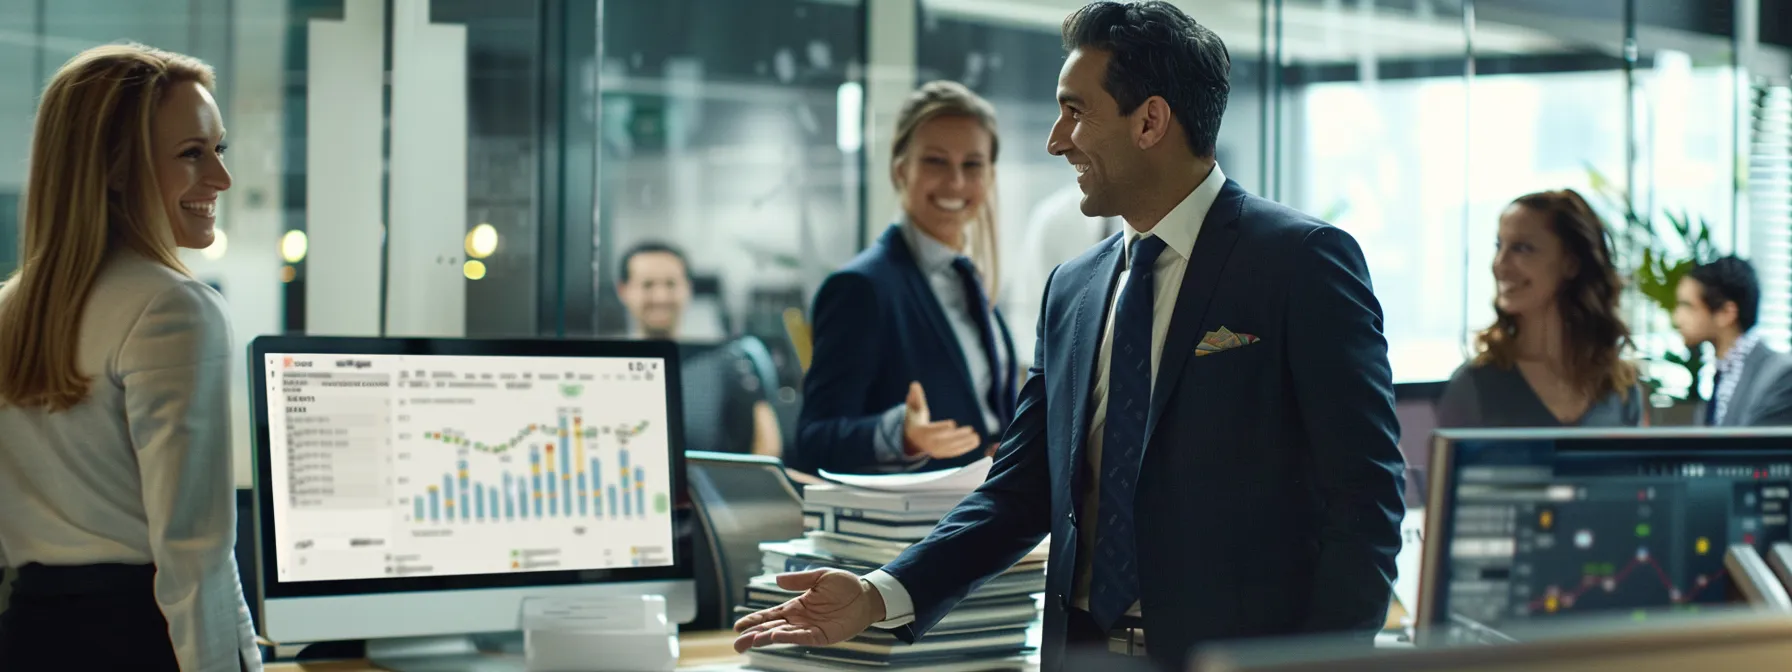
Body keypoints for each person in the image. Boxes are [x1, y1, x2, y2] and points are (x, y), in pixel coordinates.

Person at [736, 3, 1405, 670]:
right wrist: (881, 594)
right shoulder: (1073, 289)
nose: (1056, 140)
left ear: (1150, 121)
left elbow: (1366, 498)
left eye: (1075, 111)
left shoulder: (1300, 262)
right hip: (1077, 654)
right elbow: (1018, 493)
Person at [0, 44, 260, 671]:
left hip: (28, 638)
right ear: (116, 168)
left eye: (218, 150)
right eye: (191, 154)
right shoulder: (174, 309)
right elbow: (195, 558)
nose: (221, 180)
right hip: (138, 640)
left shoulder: (6, 309)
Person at [789, 80, 1018, 476]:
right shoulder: (862, 289)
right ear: (900, 171)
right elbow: (814, 439)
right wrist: (901, 435)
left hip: (986, 515)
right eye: (935, 161)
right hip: (914, 530)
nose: (956, 183)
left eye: (972, 165)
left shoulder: (969, 282)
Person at [1437, 190, 1644, 428]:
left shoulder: (1620, 388)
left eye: (1522, 248)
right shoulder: (1473, 386)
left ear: (1571, 263)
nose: (1500, 265)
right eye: (1499, 246)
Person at [614, 241, 782, 457]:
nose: (661, 297)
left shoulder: (725, 361)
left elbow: (766, 445)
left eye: (671, 284)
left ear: (688, 288)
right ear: (623, 290)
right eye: (648, 285)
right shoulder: (606, 367)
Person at [1674, 256, 1792, 426]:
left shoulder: (1780, 375)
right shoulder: (1721, 374)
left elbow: (1756, 448)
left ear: (1726, 313)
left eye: (1687, 306)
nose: (1677, 319)